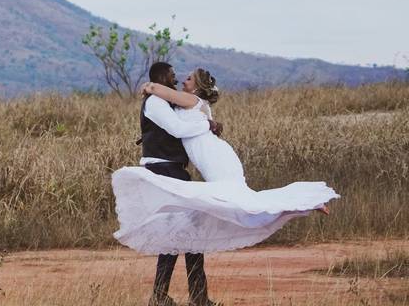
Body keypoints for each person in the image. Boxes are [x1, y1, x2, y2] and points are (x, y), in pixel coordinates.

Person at [111, 63, 339, 306]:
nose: (178, 79)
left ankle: (183, 297)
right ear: (160, 76)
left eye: (186, 78)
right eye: (174, 75)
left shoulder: (184, 102)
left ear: (197, 88)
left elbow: (176, 117)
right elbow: (176, 128)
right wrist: (207, 122)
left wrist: (156, 90)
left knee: (197, 226)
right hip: (168, 168)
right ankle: (182, 297)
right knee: (183, 231)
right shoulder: (159, 101)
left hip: (198, 166)